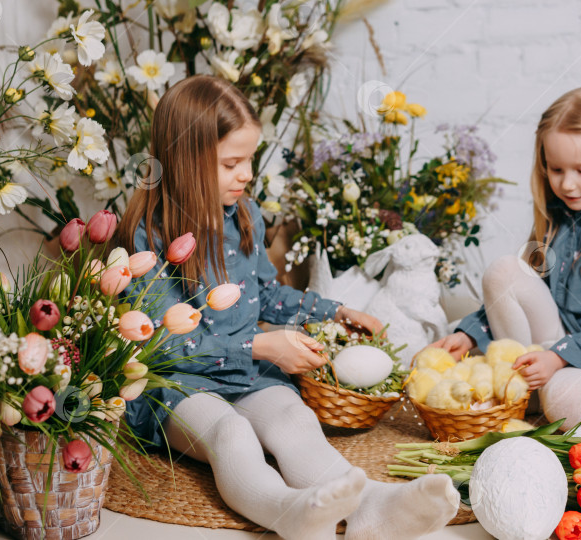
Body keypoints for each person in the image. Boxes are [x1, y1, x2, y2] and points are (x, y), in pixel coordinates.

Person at [114, 75, 459, 540]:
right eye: (231, 162)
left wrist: (333, 311)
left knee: (295, 420)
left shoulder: (245, 216)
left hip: (245, 374)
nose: (247, 173)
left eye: (250, 159)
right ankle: (287, 511)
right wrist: (258, 345)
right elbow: (160, 339)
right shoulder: (146, 234)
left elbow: (267, 295)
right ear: (184, 163)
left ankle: (373, 508)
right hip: (176, 384)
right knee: (230, 434)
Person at [430, 87, 581, 431]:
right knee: (503, 272)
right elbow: (525, 291)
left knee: (565, 398)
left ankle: (559, 402)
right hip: (552, 346)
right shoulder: (556, 219)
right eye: (555, 169)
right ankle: (524, 385)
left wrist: (558, 358)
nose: (567, 184)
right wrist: (470, 335)